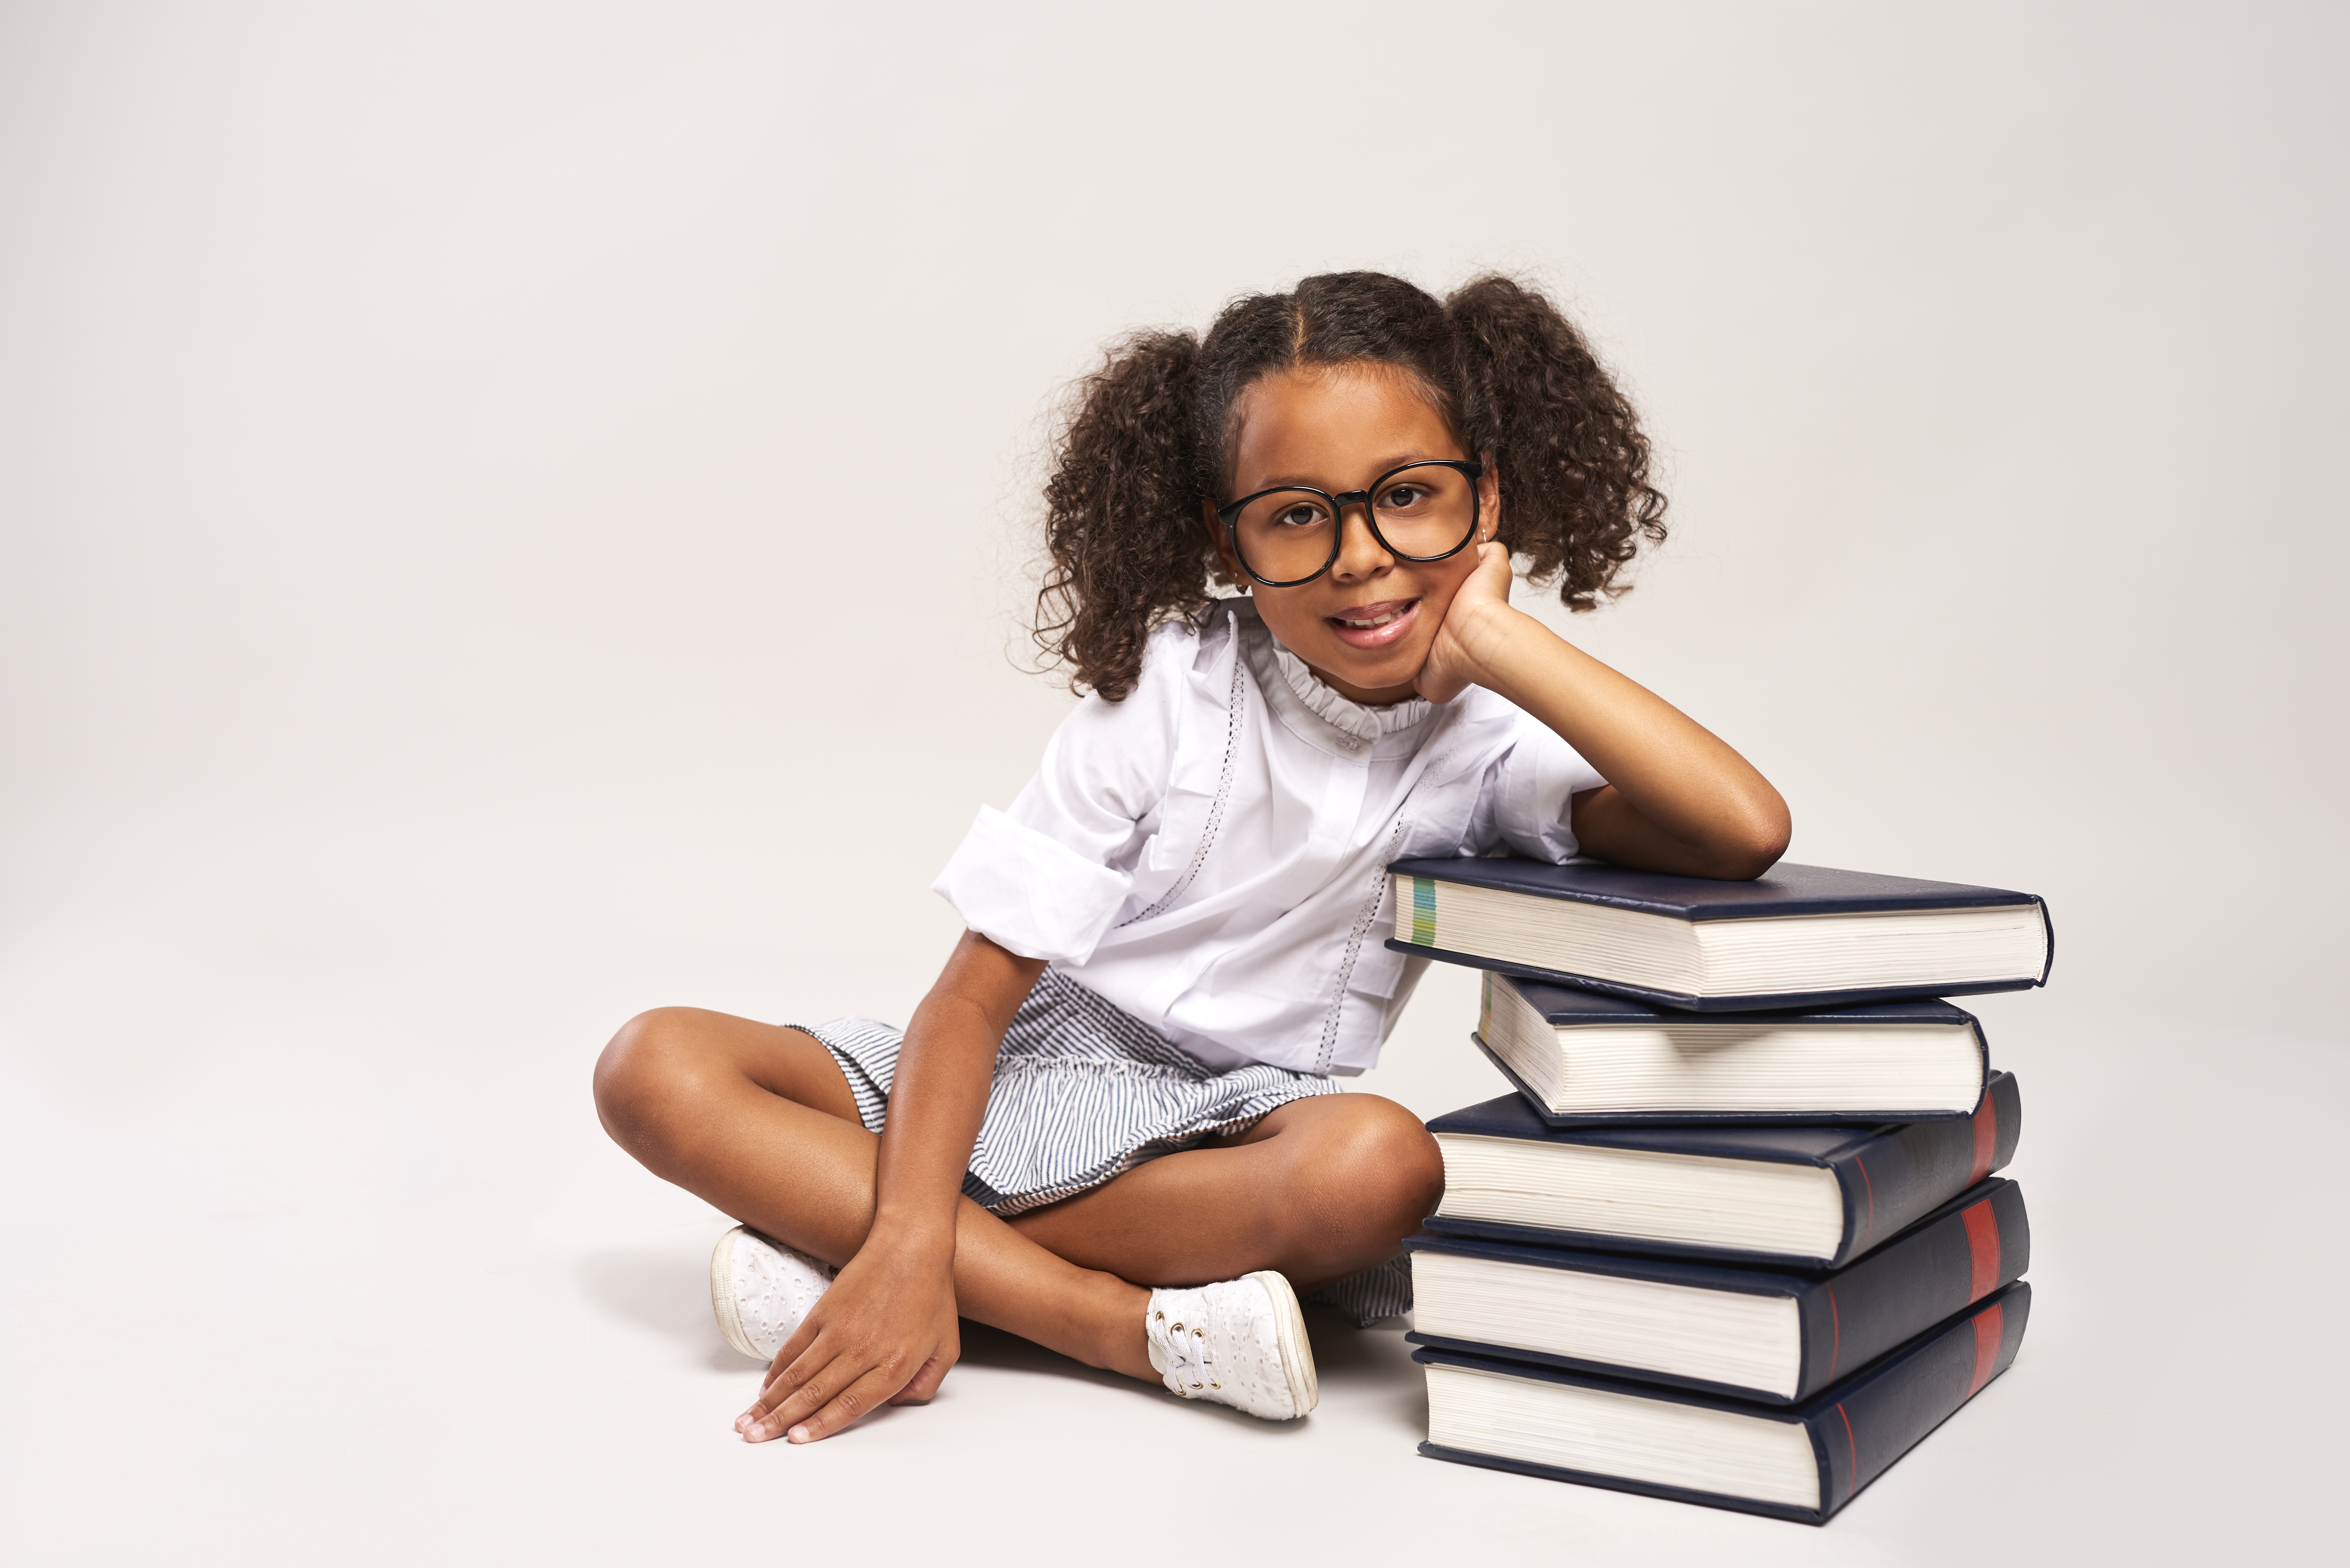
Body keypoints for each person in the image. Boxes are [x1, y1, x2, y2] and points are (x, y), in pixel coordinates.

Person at [592, 271, 1791, 1445]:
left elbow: (1741, 829)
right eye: (1296, 514)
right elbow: (970, 1000)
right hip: (1033, 1062)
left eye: (1410, 497)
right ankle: (1102, 1325)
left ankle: (848, 1245)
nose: (1361, 556)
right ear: (1225, 539)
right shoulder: (1172, 687)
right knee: (654, 1066)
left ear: (1489, 495)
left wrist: (1493, 637)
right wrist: (912, 1235)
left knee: (1380, 1169)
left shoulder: (1490, 749)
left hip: (1237, 1139)